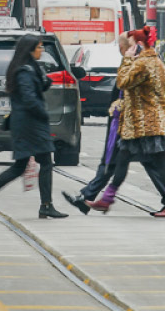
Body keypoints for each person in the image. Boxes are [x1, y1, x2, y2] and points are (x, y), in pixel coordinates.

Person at [84, 28, 165, 218]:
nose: (129, 48)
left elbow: (122, 81)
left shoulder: (143, 64)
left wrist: (127, 59)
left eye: (131, 44)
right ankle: (107, 199)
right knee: (122, 159)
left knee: (160, 163)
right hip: (141, 122)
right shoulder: (156, 62)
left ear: (138, 44)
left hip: (144, 123)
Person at [0, 34, 69, 219]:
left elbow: (37, 88)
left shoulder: (30, 67)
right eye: (39, 47)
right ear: (30, 49)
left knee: (20, 166)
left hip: (26, 124)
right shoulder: (24, 71)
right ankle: (46, 206)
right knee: (45, 162)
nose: (42, 50)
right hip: (30, 124)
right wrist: (42, 112)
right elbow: (29, 97)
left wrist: (44, 81)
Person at [64, 31, 138, 214]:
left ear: (124, 47)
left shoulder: (136, 62)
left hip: (127, 122)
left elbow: (125, 85)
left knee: (150, 164)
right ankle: (89, 196)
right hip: (121, 120)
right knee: (114, 162)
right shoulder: (133, 61)